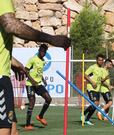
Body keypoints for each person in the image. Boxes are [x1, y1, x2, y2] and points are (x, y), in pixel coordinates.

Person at [0, 1, 70, 134]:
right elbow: (11, 25)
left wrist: (12, 62)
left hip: (13, 76)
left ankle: (38, 117)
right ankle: (28, 122)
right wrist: (50, 38)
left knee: (13, 131)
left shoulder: (42, 61)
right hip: (4, 79)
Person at [24, 44, 52, 130]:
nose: (43, 53)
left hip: (38, 84)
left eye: (44, 52)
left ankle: (40, 116)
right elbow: (26, 70)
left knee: (48, 99)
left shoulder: (43, 61)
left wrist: (43, 80)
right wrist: (32, 81)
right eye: (42, 51)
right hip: (30, 84)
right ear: (39, 50)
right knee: (32, 101)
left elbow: (39, 72)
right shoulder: (33, 59)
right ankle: (27, 124)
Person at [83, 54, 105, 125]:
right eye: (99, 60)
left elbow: (100, 79)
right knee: (95, 103)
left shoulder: (102, 69)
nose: (101, 61)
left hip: (97, 89)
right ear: (96, 60)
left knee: (96, 105)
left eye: (102, 60)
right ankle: (83, 113)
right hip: (91, 88)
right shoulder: (92, 67)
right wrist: (92, 82)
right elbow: (85, 75)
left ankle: (87, 119)